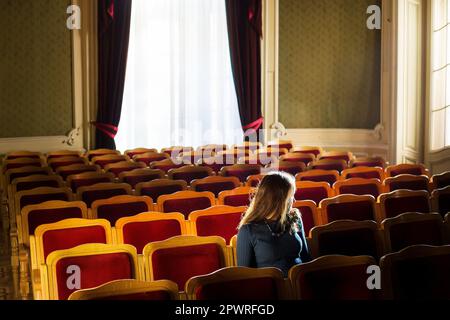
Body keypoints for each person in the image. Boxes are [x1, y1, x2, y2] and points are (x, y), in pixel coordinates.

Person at [236, 171, 311, 276]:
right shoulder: (248, 230)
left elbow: (306, 259)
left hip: (300, 283)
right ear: (276, 200)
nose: (293, 201)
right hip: (270, 288)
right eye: (290, 197)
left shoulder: (294, 218)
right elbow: (245, 275)